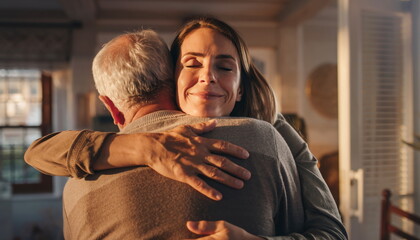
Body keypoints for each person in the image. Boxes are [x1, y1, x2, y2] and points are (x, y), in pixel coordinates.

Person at [25, 17, 347, 239]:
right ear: (171, 78)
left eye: (224, 66)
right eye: (191, 63)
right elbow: (36, 152)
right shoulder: (266, 140)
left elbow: (330, 233)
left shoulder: (78, 181)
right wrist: (148, 147)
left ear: (241, 89)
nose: (208, 76)